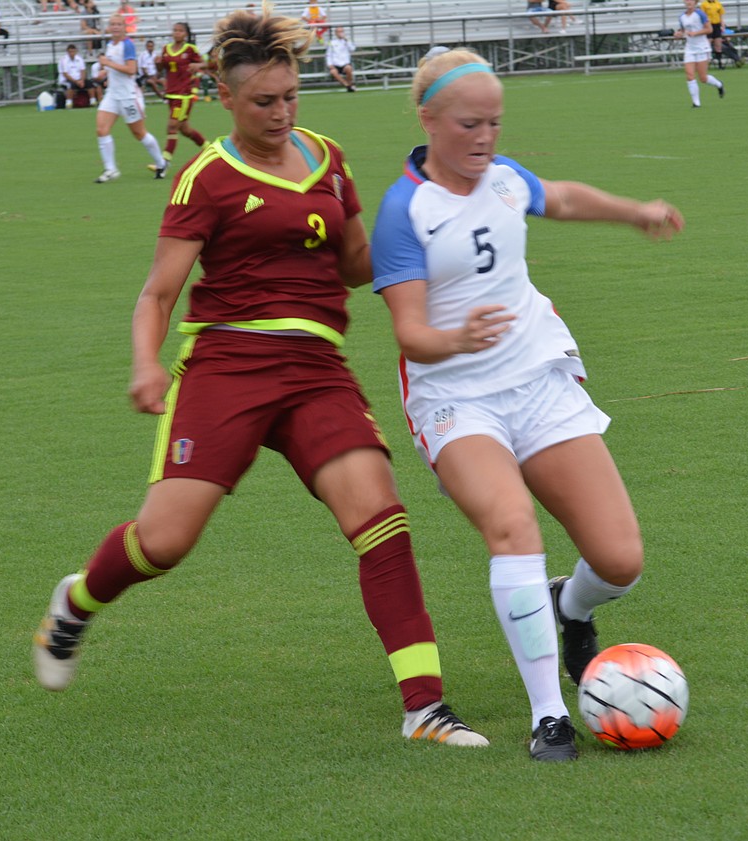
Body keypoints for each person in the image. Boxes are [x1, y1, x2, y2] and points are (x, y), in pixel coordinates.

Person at [32, 6, 487, 750]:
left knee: (381, 515)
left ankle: (424, 707)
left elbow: (353, 264)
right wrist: (146, 363)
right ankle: (76, 603)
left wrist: (427, 239)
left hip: (315, 372)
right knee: (166, 540)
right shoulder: (205, 177)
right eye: (263, 102)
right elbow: (157, 293)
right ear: (225, 97)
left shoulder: (328, 159)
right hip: (226, 367)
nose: (281, 113)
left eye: (290, 97)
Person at [370, 49, 684, 760]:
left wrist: (635, 212)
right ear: (428, 119)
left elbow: (562, 197)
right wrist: (457, 337)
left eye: (495, 123)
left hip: (538, 379)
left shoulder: (506, 179)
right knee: (512, 526)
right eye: (469, 124)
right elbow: (411, 335)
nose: (485, 138)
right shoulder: (405, 211)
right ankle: (551, 714)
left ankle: (567, 609)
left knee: (619, 558)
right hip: (456, 397)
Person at [93, 13, 167, 182]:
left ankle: (161, 163)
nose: (115, 27)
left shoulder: (128, 45)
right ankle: (111, 169)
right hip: (112, 94)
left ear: (124, 27)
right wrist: (105, 72)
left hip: (128, 96)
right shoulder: (111, 44)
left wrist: (108, 64)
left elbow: (131, 70)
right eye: (112, 24)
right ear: (109, 27)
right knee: (101, 130)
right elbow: (114, 67)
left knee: (139, 133)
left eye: (118, 24)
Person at [154, 22, 207, 167]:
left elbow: (204, 65)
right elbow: (161, 69)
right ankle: (209, 148)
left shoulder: (190, 49)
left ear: (186, 34)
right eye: (175, 30)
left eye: (180, 31)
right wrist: (158, 63)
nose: (177, 33)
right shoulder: (166, 49)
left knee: (172, 126)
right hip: (171, 93)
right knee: (184, 129)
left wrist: (195, 83)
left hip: (184, 95)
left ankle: (164, 162)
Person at [674, 0, 724, 107]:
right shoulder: (682, 16)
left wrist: (695, 33)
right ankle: (696, 103)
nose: (689, 2)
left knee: (703, 78)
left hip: (702, 48)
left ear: (695, 2)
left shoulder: (700, 14)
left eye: (691, 0)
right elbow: (683, 30)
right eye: (687, 0)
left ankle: (719, 84)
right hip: (689, 49)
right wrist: (678, 33)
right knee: (690, 75)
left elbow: (709, 29)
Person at [58, 44, 96, 108]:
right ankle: (69, 103)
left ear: (76, 51)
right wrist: (76, 81)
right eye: (70, 52)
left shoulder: (79, 59)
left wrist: (82, 80)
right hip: (67, 80)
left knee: (89, 83)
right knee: (71, 85)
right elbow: (65, 74)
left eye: (73, 51)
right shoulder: (63, 60)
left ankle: (93, 101)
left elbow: (83, 71)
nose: (72, 53)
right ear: (67, 52)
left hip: (79, 79)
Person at [325, 26, 356, 92]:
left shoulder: (347, 41)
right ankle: (347, 85)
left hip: (345, 63)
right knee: (333, 72)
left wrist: (346, 40)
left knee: (349, 68)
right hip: (335, 64)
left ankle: (350, 83)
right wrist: (329, 64)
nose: (340, 33)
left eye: (342, 31)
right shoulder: (332, 42)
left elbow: (352, 49)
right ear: (336, 33)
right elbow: (328, 54)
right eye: (339, 32)